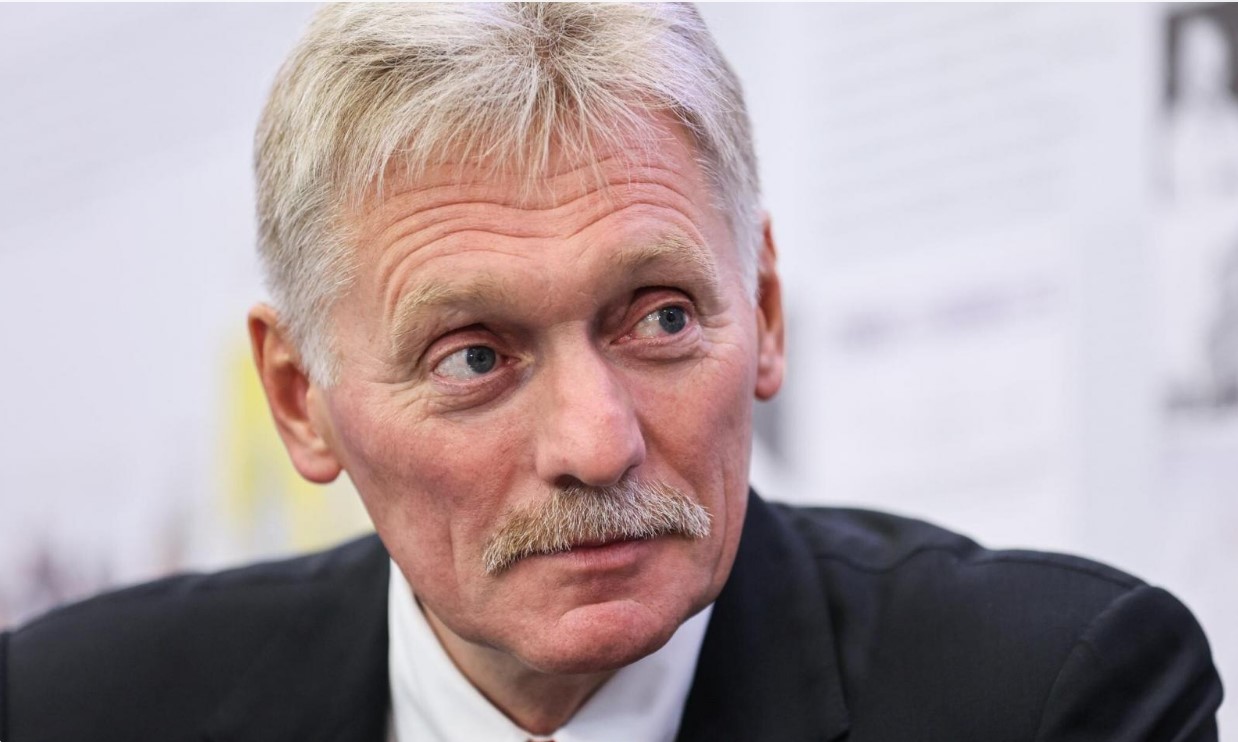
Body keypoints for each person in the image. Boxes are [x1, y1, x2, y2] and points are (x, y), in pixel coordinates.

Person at [0, 4, 1223, 740]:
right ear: (298, 399)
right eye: (473, 356)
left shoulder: (1051, 697)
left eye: (660, 319)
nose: (596, 442)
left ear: (762, 309)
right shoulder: (70, 710)